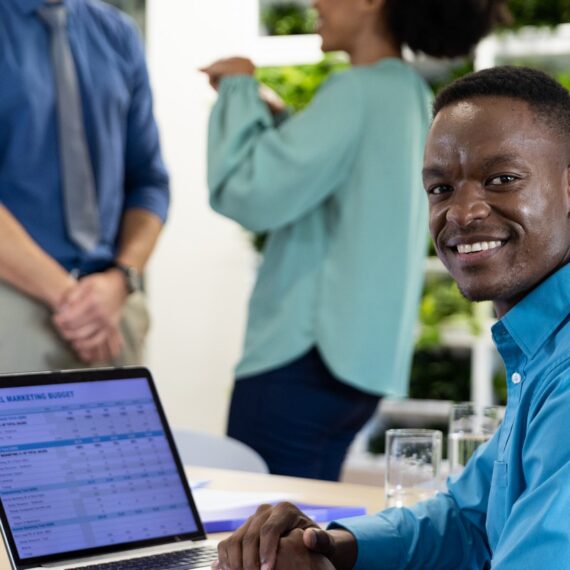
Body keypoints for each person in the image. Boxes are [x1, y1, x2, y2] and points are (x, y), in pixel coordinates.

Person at [212, 65, 570, 569]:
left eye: (503, 179)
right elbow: (469, 520)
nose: (462, 213)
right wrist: (327, 548)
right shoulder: (544, 350)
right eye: (440, 188)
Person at [201, 0, 509, 481]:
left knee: (259, 537)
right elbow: (334, 185)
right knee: (298, 528)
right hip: (359, 363)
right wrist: (281, 119)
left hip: (304, 357)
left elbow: (249, 191)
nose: (315, 4)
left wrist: (238, 88)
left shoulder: (358, 91)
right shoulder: (409, 92)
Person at [0, 0, 169, 372]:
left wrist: (121, 278)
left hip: (110, 306)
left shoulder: (119, 34)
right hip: (13, 303)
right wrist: (68, 296)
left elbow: (150, 182)